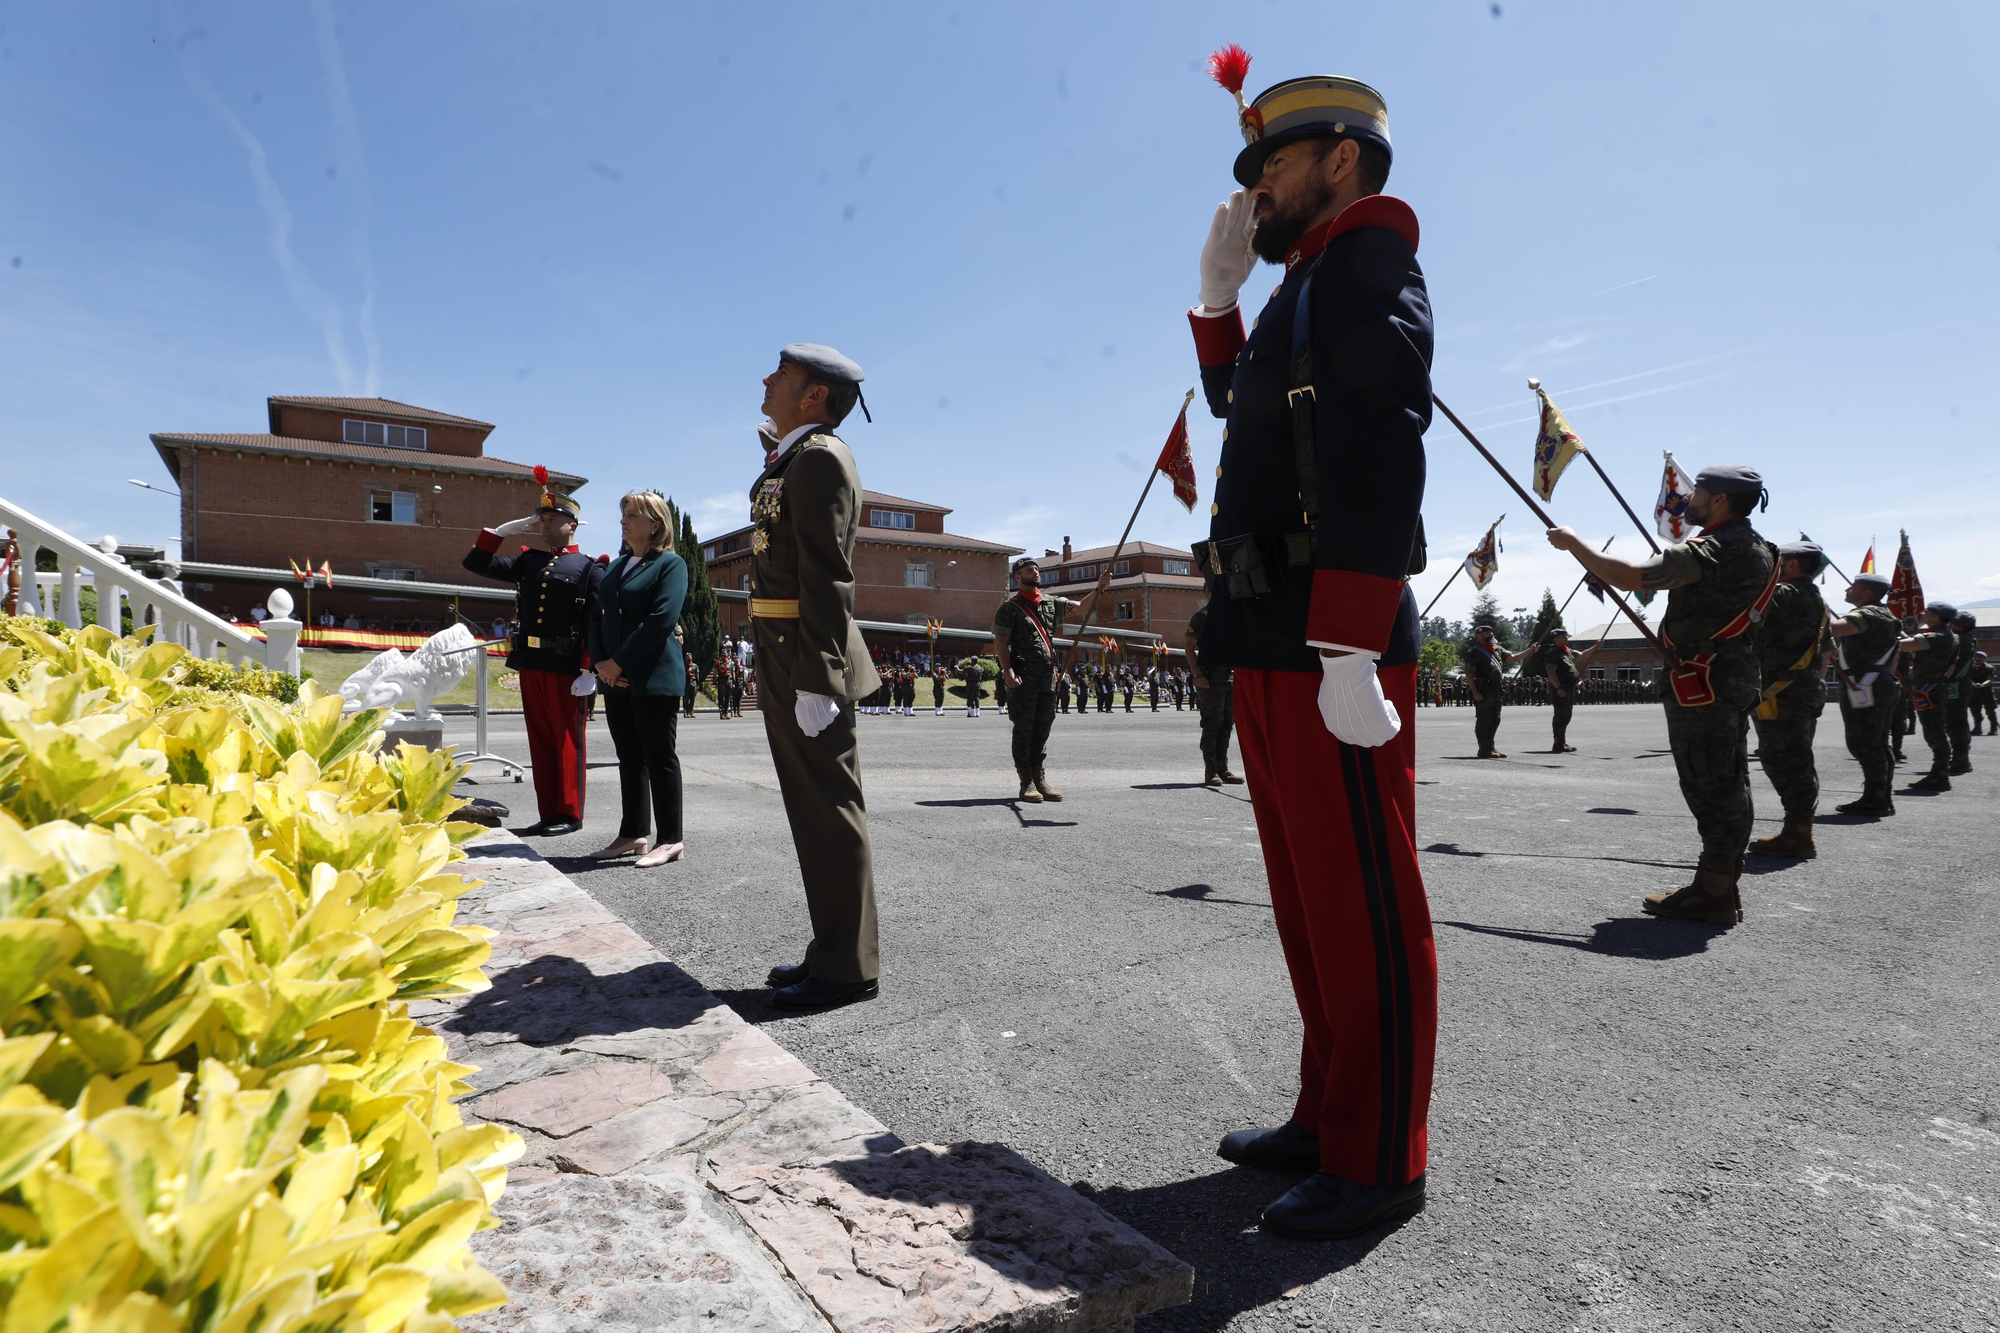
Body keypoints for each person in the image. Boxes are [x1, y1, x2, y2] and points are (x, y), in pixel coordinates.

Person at [1187, 70, 1436, 1239]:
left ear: (1340, 158)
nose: (1257, 191)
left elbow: (1379, 449)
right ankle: (1327, 1113)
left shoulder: (1365, 264)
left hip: (1328, 636)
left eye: (1273, 166)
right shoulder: (1307, 281)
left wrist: (1346, 641)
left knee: (1365, 908)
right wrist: (1215, 306)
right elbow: (1258, 424)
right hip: (1273, 630)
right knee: (1307, 903)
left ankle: (1380, 1153)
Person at [1549, 466, 1778, 924]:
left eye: (1699, 492)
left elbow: (1631, 575)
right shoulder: (1760, 548)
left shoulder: (1714, 547)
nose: (1689, 498)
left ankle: (1713, 893)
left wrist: (1574, 542)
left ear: (1719, 500)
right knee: (1729, 780)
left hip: (1704, 678)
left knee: (1708, 782)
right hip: (1727, 674)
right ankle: (1719, 883)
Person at [750, 343, 884, 1011]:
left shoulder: (822, 458)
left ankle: (847, 966)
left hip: (804, 650)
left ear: (815, 395)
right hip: (786, 645)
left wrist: (818, 678)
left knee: (830, 810)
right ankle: (832, 946)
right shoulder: (797, 455)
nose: (767, 380)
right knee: (813, 810)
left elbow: (829, 574)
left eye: (782, 375)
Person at [463, 484, 606, 837]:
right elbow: (475, 563)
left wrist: (589, 668)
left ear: (572, 525)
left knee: (566, 741)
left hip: (566, 665)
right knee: (540, 740)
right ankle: (549, 811)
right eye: (541, 519)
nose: (543, 525)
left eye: (552, 519)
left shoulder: (589, 569)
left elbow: (595, 621)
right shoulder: (528, 561)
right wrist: (502, 532)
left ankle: (570, 813)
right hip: (530, 661)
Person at [587, 491, 690, 868]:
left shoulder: (670, 565)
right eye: (623, 514)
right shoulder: (616, 566)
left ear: (655, 524)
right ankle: (632, 833)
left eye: (632, 515)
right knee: (629, 758)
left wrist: (619, 662)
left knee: (659, 757)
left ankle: (671, 839)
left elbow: (661, 620)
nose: (623, 520)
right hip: (615, 676)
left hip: (653, 675)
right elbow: (597, 617)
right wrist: (602, 664)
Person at [993, 555, 1112, 802]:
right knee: (1024, 730)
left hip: (1047, 679)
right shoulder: (1009, 609)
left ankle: (1040, 779)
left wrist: (1098, 589)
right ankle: (1026, 782)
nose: (1034, 572)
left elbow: (1081, 608)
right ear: (1018, 577)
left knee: (1042, 730)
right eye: (1028, 570)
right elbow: (1001, 642)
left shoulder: (1050, 603)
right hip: (1024, 678)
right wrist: (1008, 671)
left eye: (1036, 569)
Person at [1747, 543, 1831, 858]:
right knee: (1794, 759)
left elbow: (1745, 610)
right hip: (1799, 688)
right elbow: (1826, 649)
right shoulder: (1816, 599)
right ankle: (1798, 830)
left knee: (1786, 760)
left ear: (1792, 565)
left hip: (1783, 693)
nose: (1770, 568)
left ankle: (1798, 835)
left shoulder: (1784, 596)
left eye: (1775, 562)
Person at [1825, 571, 1902, 816]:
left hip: (1866, 686)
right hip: (1877, 683)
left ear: (1867, 593)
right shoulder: (1887, 615)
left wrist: (1813, 614)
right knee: (1878, 743)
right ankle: (1879, 797)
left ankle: (1875, 799)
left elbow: (1833, 630)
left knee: (1865, 744)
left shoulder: (1867, 613)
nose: (1848, 591)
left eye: (1853, 587)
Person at [1899, 602, 1960, 791]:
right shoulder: (1946, 634)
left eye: (1926, 611)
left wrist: (1890, 633)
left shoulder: (1937, 635)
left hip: (1930, 689)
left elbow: (1903, 646)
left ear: (1935, 617)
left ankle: (1940, 774)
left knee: (1934, 731)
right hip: (1932, 687)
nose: (1922, 613)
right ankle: (1939, 772)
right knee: (1934, 729)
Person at [1185, 598, 1243, 785]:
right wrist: (1198, 675)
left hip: (1229, 679)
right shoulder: (1201, 617)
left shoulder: (1230, 616)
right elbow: (1188, 646)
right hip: (1209, 679)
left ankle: (1222, 768)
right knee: (1212, 723)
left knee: (1227, 723)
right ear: (1207, 592)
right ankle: (1210, 771)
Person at [1462, 626, 1524, 758]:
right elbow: (1469, 674)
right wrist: (1475, 692)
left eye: (1490, 632)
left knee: (1495, 720)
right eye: (1486, 633)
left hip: (1496, 691)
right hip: (1483, 690)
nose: (1490, 634)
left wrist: (1530, 650)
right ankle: (1483, 748)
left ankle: (1490, 747)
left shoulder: (1497, 649)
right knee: (1484, 720)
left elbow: (1513, 658)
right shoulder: (1475, 652)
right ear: (1479, 636)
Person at [1540, 628, 1600, 753]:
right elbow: (1551, 672)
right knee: (1561, 715)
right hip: (1561, 688)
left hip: (1568, 687)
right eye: (1564, 636)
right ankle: (1558, 743)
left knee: (1567, 715)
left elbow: (1583, 655)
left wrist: (1596, 646)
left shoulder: (1567, 651)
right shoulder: (1553, 652)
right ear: (1556, 639)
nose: (1567, 638)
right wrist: (1558, 688)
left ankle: (1562, 742)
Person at [1946, 611, 1978, 774]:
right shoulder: (1968, 638)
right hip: (1962, 683)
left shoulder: (1957, 638)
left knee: (1955, 722)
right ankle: (1960, 758)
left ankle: (1960, 759)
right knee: (1958, 721)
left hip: (1955, 684)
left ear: (1960, 625)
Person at [1971, 651, 1996, 736]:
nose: (1978, 659)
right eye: (1977, 657)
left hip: (1986, 692)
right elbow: (1968, 678)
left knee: (1990, 711)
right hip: (1974, 692)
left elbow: (1990, 679)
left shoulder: (1989, 668)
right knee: (1975, 711)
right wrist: (1974, 684)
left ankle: (1993, 729)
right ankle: (1977, 729)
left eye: (1980, 657)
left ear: (1984, 659)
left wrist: (1982, 685)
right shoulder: (1971, 668)